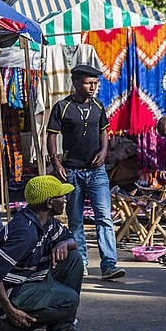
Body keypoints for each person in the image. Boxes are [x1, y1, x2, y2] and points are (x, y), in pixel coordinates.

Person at [0, 176, 96, 331]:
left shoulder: (48, 222)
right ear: (49, 203)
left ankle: (61, 329)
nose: (64, 200)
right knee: (69, 300)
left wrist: (64, 243)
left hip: (31, 278)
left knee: (73, 258)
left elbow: (73, 241)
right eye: (61, 197)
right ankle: (5, 324)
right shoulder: (25, 234)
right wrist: (9, 310)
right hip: (11, 290)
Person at [47, 64, 125, 281]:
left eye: (95, 83)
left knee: (104, 217)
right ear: (76, 83)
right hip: (71, 171)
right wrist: (56, 162)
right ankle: (80, 264)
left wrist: (103, 151)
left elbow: (104, 132)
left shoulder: (99, 106)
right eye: (88, 83)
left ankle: (109, 264)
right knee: (75, 219)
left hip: (97, 172)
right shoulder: (62, 107)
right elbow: (51, 136)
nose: (93, 87)